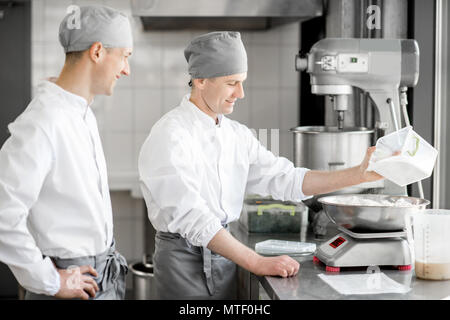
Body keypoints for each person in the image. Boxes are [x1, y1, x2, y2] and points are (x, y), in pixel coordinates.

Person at [138, 31, 383, 299]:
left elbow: (288, 180)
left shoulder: (236, 135)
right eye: (232, 83)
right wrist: (256, 262)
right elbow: (193, 218)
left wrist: (358, 175)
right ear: (200, 80)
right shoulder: (170, 135)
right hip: (184, 265)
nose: (240, 93)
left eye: (241, 82)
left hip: (225, 259)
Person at [0, 5, 133, 300]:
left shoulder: (80, 112)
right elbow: (2, 213)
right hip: (71, 286)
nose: (127, 69)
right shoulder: (43, 121)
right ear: (97, 52)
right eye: (124, 56)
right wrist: (50, 281)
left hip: (98, 277)